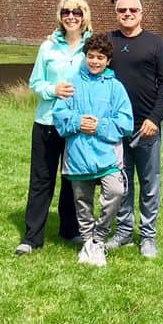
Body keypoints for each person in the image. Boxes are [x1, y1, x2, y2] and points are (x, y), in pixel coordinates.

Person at [15, 0, 92, 256]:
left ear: (84, 16)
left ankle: (69, 229)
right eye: (66, 12)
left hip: (75, 124)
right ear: (60, 17)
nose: (71, 17)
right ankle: (31, 237)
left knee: (73, 178)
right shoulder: (47, 47)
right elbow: (35, 83)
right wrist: (53, 89)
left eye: (76, 12)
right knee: (41, 179)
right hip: (47, 121)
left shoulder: (92, 47)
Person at [51, 33, 133, 267]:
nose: (95, 61)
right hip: (79, 155)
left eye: (100, 58)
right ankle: (89, 243)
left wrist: (99, 126)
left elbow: (125, 123)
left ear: (108, 61)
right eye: (91, 57)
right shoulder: (72, 84)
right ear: (85, 57)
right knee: (83, 202)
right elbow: (60, 116)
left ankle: (99, 238)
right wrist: (78, 122)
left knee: (116, 191)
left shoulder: (116, 88)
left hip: (107, 156)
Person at [106, 0, 163, 258]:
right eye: (123, 10)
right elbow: (89, 64)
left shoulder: (154, 43)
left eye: (133, 10)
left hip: (146, 127)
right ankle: (123, 232)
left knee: (149, 183)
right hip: (117, 127)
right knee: (121, 182)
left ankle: (147, 236)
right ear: (116, 13)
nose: (128, 14)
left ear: (141, 13)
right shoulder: (109, 41)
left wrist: (154, 119)